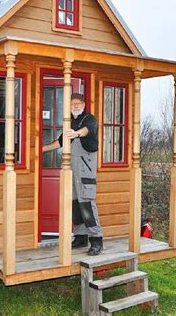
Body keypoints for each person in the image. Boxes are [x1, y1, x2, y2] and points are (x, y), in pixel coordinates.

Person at [43, 93, 103, 256]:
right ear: (69, 105)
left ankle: (96, 240)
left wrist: (76, 133)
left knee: (87, 204)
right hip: (73, 170)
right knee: (76, 204)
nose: (76, 106)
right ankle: (80, 236)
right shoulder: (71, 121)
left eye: (78, 103)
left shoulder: (89, 119)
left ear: (83, 104)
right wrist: (40, 149)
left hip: (85, 169)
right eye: (73, 103)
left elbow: (86, 131)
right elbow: (60, 142)